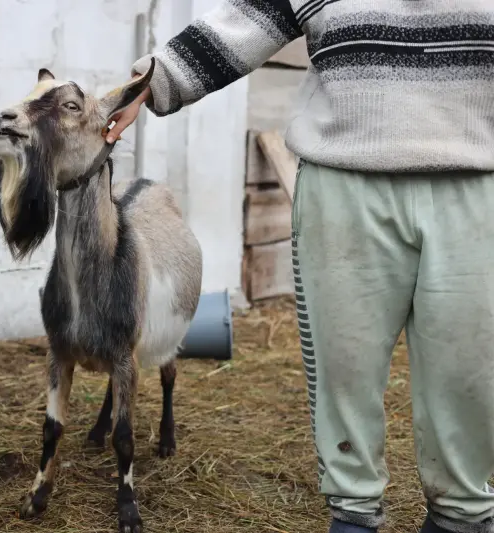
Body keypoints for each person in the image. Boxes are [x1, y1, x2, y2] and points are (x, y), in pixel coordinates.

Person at [107, 1, 494, 532]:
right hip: (345, 180)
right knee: (344, 364)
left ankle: (461, 515)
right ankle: (353, 514)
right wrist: (156, 79)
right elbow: (250, 18)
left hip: (477, 179)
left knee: (471, 368)